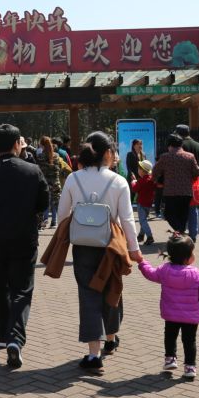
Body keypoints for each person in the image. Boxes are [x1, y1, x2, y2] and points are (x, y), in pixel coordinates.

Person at [57, 131, 142, 373]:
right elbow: (126, 219)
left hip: (83, 246)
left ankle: (93, 355)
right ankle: (112, 339)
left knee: (88, 295)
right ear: (106, 153)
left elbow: (63, 214)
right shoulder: (118, 181)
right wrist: (134, 250)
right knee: (112, 288)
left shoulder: (74, 179)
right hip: (111, 246)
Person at [0, 124, 49, 369]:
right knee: (22, 289)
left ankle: (3, 334)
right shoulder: (32, 170)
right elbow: (43, 203)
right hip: (24, 238)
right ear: (17, 144)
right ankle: (15, 338)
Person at [136, 234, 199, 379]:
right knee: (189, 341)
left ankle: (170, 359)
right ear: (188, 257)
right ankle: (190, 367)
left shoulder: (165, 270)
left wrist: (142, 262)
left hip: (171, 314)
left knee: (170, 336)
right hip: (191, 316)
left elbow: (150, 274)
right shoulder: (197, 274)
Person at [152, 134, 199, 236]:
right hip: (186, 192)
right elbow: (197, 172)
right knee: (183, 216)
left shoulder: (165, 157)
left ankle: (180, 232)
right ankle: (181, 236)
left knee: (168, 214)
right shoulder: (190, 156)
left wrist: (156, 181)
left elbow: (155, 171)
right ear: (181, 145)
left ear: (169, 145)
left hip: (170, 192)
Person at [175, 124, 199, 243]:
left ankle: (181, 234)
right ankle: (193, 235)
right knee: (193, 210)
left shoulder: (179, 147)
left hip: (181, 184)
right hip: (197, 184)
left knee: (181, 210)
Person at [36, 136, 70, 229]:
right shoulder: (56, 156)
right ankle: (56, 223)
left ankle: (44, 221)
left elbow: (38, 170)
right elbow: (61, 167)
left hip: (44, 183)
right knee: (56, 203)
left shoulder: (39, 156)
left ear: (41, 145)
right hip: (55, 182)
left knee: (45, 202)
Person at [130, 160, 156, 245]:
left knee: (142, 220)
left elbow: (135, 189)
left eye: (139, 168)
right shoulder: (151, 179)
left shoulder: (141, 181)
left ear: (142, 170)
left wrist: (133, 182)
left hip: (141, 203)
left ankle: (150, 236)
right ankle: (141, 235)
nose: (138, 170)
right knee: (143, 219)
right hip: (149, 203)